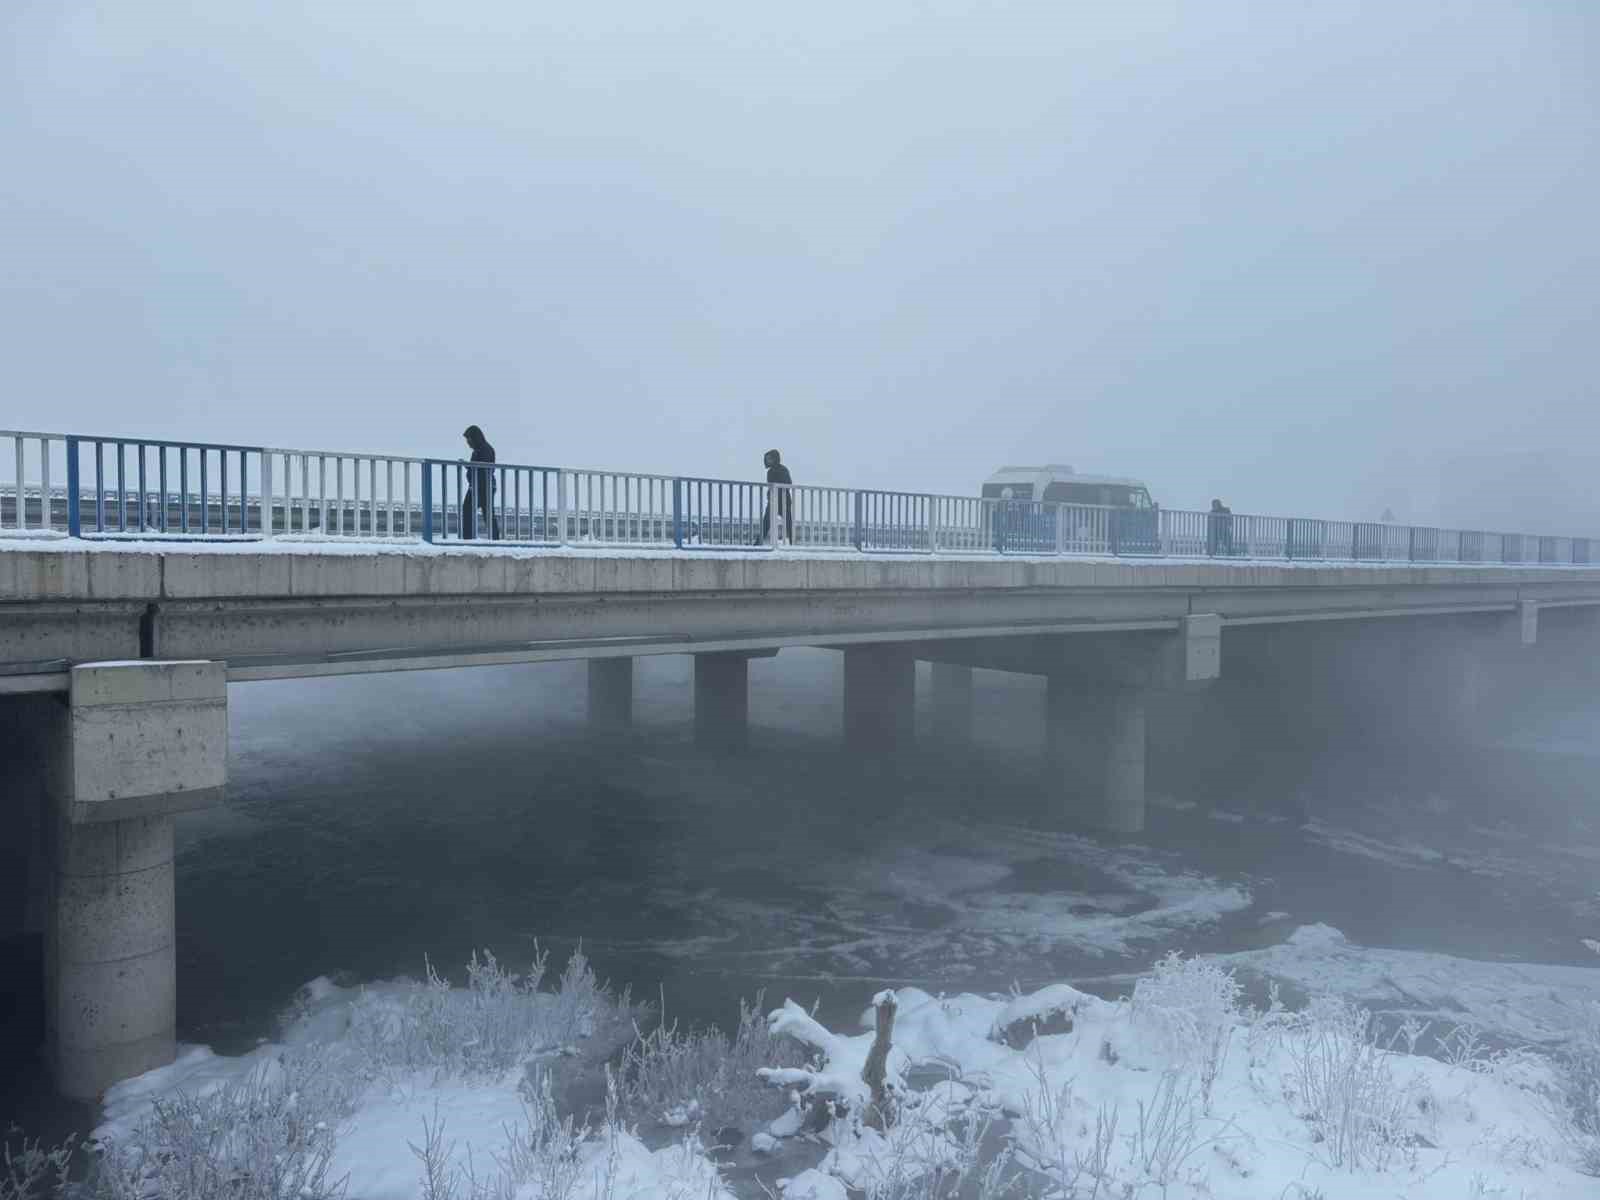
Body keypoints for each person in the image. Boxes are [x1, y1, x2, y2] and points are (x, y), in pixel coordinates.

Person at [461, 425, 500, 540]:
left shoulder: (485, 449)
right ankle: (493, 540)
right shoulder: (481, 449)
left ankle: (469, 539)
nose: (468, 443)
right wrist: (469, 466)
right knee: (486, 513)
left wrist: (469, 467)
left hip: (482, 486)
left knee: (474, 511)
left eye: (469, 439)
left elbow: (483, 469)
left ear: (475, 438)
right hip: (479, 486)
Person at [759, 448, 794, 544]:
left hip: (783, 501)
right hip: (773, 501)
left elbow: (788, 484)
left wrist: (777, 488)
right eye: (767, 459)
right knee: (766, 524)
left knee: (788, 524)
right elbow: (771, 486)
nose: (767, 461)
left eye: (769, 459)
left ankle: (793, 543)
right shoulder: (770, 472)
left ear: (775, 458)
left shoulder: (783, 469)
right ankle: (758, 543)